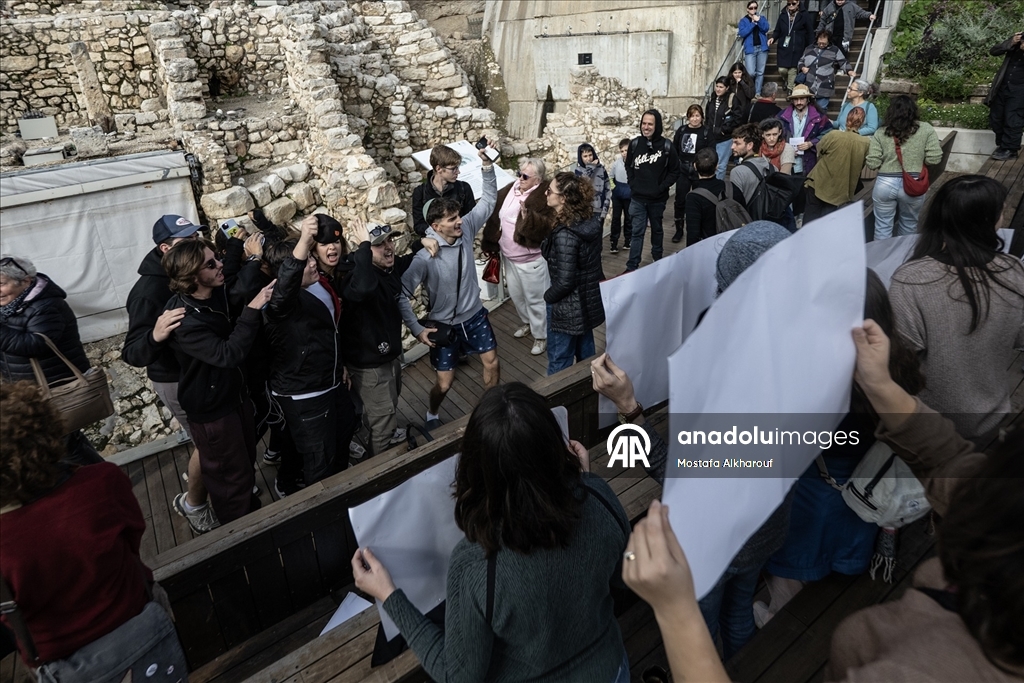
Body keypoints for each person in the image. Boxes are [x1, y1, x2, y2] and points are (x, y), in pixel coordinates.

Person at [617, 320, 1024, 683]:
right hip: (760, 542)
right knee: (739, 609)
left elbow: (675, 474)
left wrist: (632, 413)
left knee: (705, 619)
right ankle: (741, 662)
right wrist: (882, 386)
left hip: (714, 553)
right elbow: (954, 463)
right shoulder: (795, 413)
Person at [351, 382, 632, 683]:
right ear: (555, 445)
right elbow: (624, 578)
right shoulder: (600, 496)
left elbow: (458, 677)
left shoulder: (476, 563)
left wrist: (389, 596)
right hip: (612, 671)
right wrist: (584, 484)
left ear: (474, 467)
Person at [758, 269, 925, 625]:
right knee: (844, 549)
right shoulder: (898, 362)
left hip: (815, 490)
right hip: (867, 485)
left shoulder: (820, 381)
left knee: (795, 568)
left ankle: (776, 617)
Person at [0, 381, 189, 683]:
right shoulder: (103, 481)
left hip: (63, 659)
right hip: (138, 622)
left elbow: (8, 614)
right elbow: (133, 538)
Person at [889, 175, 1024, 444]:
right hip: (991, 421)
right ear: (991, 219)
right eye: (1002, 210)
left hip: (928, 426)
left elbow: (902, 360)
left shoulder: (911, 278)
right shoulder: (1013, 270)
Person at [162, 240, 274, 523]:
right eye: (211, 264)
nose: (220, 265)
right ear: (192, 275)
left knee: (244, 468)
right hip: (214, 412)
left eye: (217, 258)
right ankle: (242, 533)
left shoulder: (214, 293)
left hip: (235, 398)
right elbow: (227, 354)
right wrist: (253, 309)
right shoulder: (184, 320)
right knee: (230, 483)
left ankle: (250, 519)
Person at [122, 215, 218, 534]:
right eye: (187, 240)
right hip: (175, 379)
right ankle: (194, 503)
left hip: (203, 371)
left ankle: (220, 481)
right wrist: (155, 336)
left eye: (196, 237)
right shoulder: (148, 291)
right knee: (207, 444)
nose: (197, 244)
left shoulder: (195, 268)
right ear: (166, 249)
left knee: (217, 439)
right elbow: (132, 353)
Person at [399, 145, 499, 429]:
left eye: (459, 216)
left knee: (492, 362)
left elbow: (488, 201)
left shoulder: (466, 229)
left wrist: (487, 167)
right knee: (444, 384)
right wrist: (417, 329)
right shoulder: (424, 257)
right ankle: (432, 413)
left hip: (474, 315)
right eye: (452, 219)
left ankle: (491, 410)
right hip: (444, 324)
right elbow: (401, 295)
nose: (460, 222)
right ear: (435, 226)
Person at [263, 218, 358, 495]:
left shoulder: (319, 284)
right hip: (306, 392)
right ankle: (321, 501)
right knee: (319, 456)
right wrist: (305, 241)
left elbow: (331, 332)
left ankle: (339, 482)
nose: (314, 264)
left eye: (312, 258)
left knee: (344, 429)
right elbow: (286, 286)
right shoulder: (279, 302)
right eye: (306, 262)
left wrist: (340, 365)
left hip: (330, 381)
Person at [342, 221, 438, 457]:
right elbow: (364, 288)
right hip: (370, 365)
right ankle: (381, 470)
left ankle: (385, 432)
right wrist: (364, 247)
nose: (388, 247)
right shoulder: (356, 276)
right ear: (365, 251)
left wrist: (420, 242)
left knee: (388, 407)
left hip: (388, 357)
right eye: (379, 244)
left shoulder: (388, 268)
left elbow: (405, 260)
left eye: (389, 240)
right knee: (382, 425)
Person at [0, 255, 103, 469]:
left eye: (1, 284)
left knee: (64, 445)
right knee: (67, 441)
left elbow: (36, 344)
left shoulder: (47, 305)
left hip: (55, 386)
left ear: (26, 281)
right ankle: (101, 476)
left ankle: (104, 480)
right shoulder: (10, 307)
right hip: (29, 390)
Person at [481, 158, 556, 357]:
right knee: (517, 295)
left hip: (530, 259)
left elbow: (548, 226)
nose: (520, 178)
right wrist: (491, 242)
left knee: (536, 299)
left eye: (525, 176)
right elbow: (496, 216)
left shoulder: (544, 196)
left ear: (537, 180)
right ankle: (528, 323)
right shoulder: (510, 189)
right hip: (509, 256)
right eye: (519, 173)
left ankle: (541, 335)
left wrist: (529, 218)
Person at [542, 172, 606, 375]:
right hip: (585, 301)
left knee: (559, 362)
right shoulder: (589, 221)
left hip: (566, 307)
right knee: (587, 357)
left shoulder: (565, 234)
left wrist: (547, 298)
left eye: (549, 191)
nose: (546, 193)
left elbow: (565, 281)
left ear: (563, 198)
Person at [865, 95, 942, 240]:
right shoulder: (926, 129)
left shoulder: (881, 132)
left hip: (885, 184)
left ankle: (882, 254)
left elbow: (873, 163)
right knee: (909, 224)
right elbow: (934, 158)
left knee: (882, 226)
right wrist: (917, 161)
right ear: (914, 110)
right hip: (913, 183)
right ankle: (904, 254)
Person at [624, 109, 680, 273]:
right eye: (644, 123)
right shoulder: (635, 144)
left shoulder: (667, 146)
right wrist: (633, 184)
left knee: (657, 230)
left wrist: (661, 188)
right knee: (637, 232)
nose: (646, 127)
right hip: (637, 198)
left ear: (657, 126)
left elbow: (675, 171)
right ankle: (632, 267)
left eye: (650, 124)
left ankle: (657, 260)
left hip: (657, 199)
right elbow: (628, 166)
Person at [804, 107, 871, 222]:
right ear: (862, 122)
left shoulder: (833, 135)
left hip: (819, 182)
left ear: (847, 119)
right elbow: (861, 165)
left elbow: (819, 151)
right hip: (840, 189)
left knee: (810, 220)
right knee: (828, 222)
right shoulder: (866, 143)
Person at [411, 144, 476, 238]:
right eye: (453, 169)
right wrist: (440, 232)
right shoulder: (420, 192)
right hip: (432, 243)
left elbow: (471, 220)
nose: (458, 172)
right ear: (439, 169)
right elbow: (418, 225)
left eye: (457, 167)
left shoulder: (464, 188)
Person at [672, 105, 711, 243]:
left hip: (699, 172)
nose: (695, 119)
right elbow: (674, 149)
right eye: (692, 116)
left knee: (699, 200)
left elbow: (711, 152)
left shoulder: (706, 132)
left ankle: (698, 230)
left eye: (697, 116)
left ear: (702, 117)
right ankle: (679, 229)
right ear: (688, 117)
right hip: (683, 170)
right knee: (680, 201)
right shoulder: (682, 130)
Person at [779, 83, 835, 179]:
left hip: (809, 161)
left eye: (802, 99)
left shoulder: (819, 117)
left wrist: (811, 143)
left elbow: (829, 133)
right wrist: (785, 148)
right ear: (792, 100)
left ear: (808, 99)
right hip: (787, 161)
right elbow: (775, 136)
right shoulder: (782, 116)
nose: (799, 102)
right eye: (796, 99)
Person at [987, 31, 1024, 161]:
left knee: (1013, 119)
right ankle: (1002, 145)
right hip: (1002, 86)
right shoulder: (1015, 42)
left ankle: (1011, 150)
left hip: (1020, 90)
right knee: (995, 117)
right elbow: (994, 51)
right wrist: (1011, 42)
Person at [798, 30, 855, 112]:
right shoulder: (809, 48)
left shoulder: (834, 50)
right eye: (819, 43)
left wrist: (849, 71)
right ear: (817, 40)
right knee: (808, 110)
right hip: (809, 84)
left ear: (829, 41)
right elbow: (800, 61)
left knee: (821, 109)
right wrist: (802, 67)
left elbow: (843, 62)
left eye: (824, 43)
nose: (821, 45)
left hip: (825, 84)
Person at [684, 147, 726, 246]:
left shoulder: (693, 198)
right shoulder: (731, 188)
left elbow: (693, 233)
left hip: (708, 246)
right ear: (717, 166)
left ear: (695, 166)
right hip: (729, 242)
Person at [728, 123, 772, 213]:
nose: (732, 147)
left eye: (737, 143)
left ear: (750, 145)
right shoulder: (773, 168)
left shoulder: (737, 172)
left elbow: (734, 206)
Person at [773, 0, 815, 93]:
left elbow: (810, 31)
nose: (791, 5)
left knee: (793, 69)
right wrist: (773, 38)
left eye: (793, 3)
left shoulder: (804, 14)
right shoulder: (783, 15)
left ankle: (790, 89)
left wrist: (811, 45)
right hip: (784, 47)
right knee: (782, 70)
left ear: (798, 3)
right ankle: (787, 80)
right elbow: (777, 30)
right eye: (789, 4)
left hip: (797, 47)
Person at [706, 77, 739, 180]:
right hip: (711, 137)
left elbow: (737, 118)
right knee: (709, 163)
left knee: (720, 165)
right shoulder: (712, 99)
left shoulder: (732, 99)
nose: (718, 89)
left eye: (721, 87)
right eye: (717, 86)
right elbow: (708, 117)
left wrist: (724, 130)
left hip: (724, 138)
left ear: (727, 88)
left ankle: (718, 185)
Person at [309, 213, 352, 291]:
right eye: (324, 244)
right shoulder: (313, 280)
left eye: (336, 242)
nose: (332, 247)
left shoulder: (350, 268)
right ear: (315, 252)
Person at [738, 1, 771, 96]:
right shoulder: (743, 21)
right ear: (747, 9)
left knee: (760, 72)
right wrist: (752, 23)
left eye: (755, 8)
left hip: (762, 48)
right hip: (750, 49)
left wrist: (759, 21)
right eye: (751, 8)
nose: (753, 10)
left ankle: (757, 93)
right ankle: (749, 91)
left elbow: (766, 28)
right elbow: (742, 33)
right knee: (751, 72)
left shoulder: (761, 18)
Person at [574, 142, 610, 226]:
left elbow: (608, 188)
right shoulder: (578, 171)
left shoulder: (601, 169)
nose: (589, 158)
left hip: (599, 210)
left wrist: (605, 209)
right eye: (585, 156)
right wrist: (591, 167)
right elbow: (583, 183)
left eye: (590, 155)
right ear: (581, 157)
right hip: (585, 211)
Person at [609, 139, 632, 253]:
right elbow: (611, 177)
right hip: (618, 195)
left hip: (630, 195)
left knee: (629, 219)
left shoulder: (634, 163)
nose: (624, 153)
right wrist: (614, 188)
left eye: (626, 150)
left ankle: (628, 241)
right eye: (622, 151)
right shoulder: (616, 163)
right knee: (616, 219)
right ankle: (614, 242)